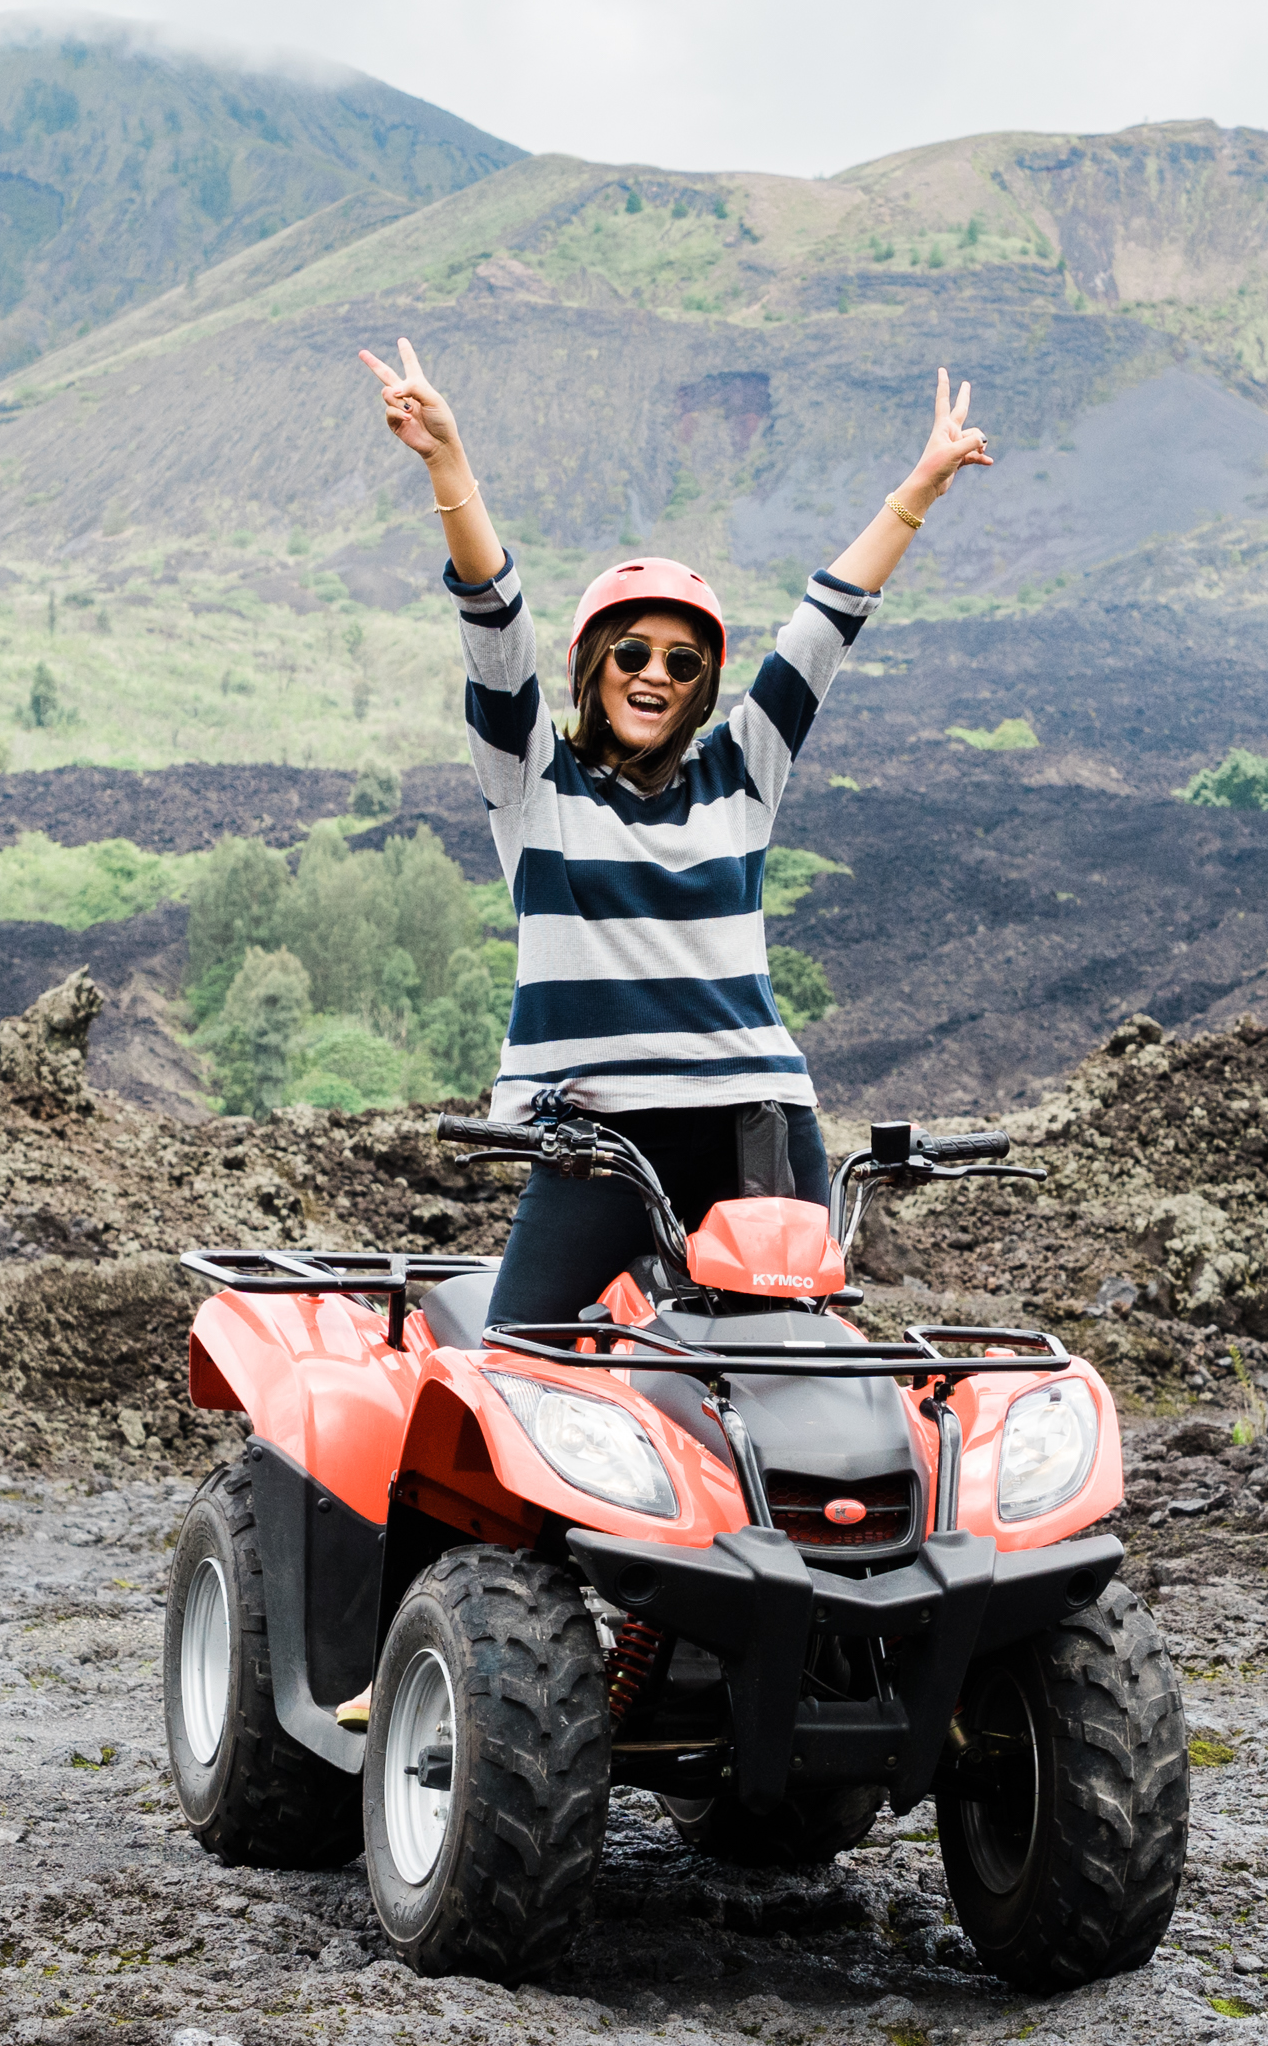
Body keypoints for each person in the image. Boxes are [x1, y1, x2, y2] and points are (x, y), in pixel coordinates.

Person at [357, 335, 994, 1329]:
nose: (655, 674)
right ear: (594, 664)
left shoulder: (742, 772)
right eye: (633, 652)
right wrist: (448, 464)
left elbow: (821, 629)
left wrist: (917, 488)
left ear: (703, 688)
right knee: (515, 1364)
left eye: (683, 663)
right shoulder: (534, 784)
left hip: (755, 1123)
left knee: (788, 1364)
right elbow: (494, 622)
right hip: (597, 1143)